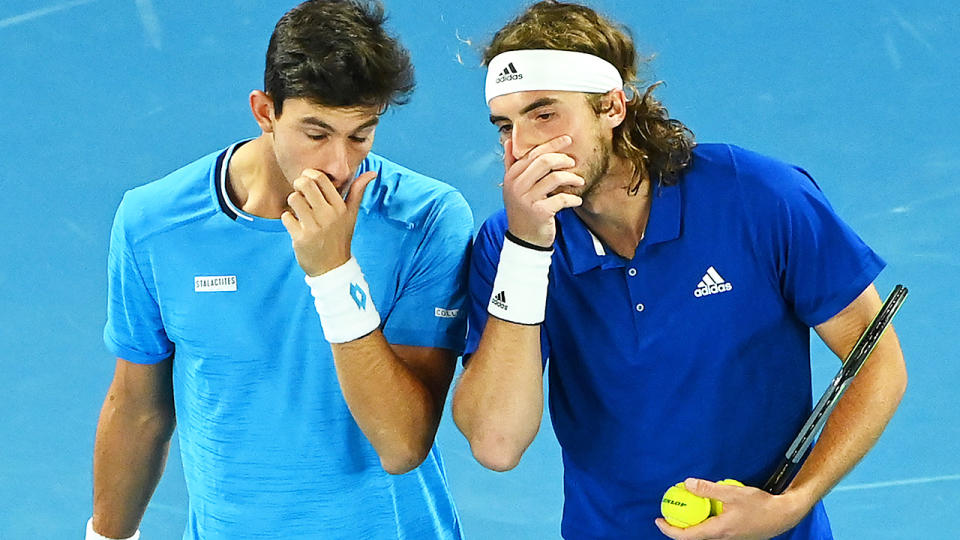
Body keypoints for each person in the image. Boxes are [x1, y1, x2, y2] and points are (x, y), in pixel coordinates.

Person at [452, 1, 907, 539]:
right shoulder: (509, 248)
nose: (521, 148)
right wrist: (527, 252)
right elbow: (496, 444)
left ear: (612, 106)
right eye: (505, 126)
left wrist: (793, 503)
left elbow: (878, 363)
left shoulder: (758, 197)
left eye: (544, 114)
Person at [88, 1, 472, 538]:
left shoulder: (426, 219)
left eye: (361, 134)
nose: (340, 164)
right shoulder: (153, 222)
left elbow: (403, 443)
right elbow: (139, 409)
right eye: (317, 133)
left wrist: (334, 274)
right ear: (265, 111)